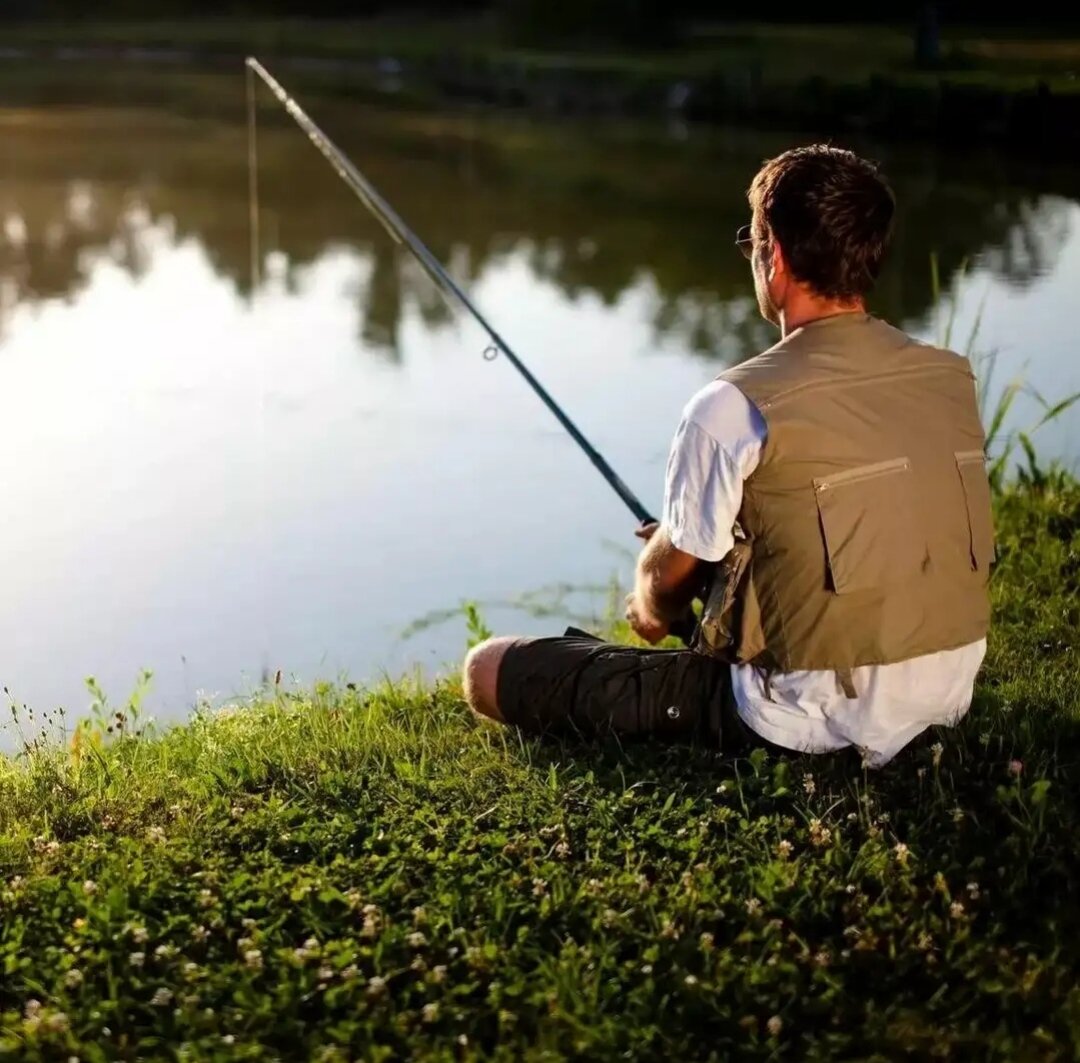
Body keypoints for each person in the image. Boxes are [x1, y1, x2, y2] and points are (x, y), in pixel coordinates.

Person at [462, 144, 995, 768]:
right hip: (947, 695)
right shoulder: (947, 378)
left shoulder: (732, 405)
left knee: (488, 670)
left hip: (804, 722)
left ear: (777, 260)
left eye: (753, 243)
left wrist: (649, 598)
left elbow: (669, 578)